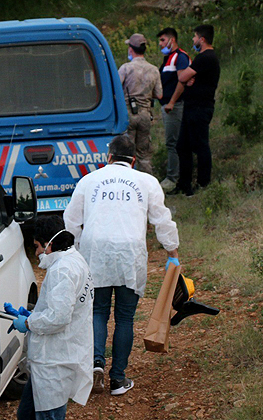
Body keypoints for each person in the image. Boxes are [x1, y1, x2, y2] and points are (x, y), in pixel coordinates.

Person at [63, 134, 180, 396]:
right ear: (134, 160)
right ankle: (118, 379)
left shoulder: (89, 180)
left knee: (98, 312)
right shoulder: (147, 182)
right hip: (131, 252)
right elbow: (162, 220)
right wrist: (172, 252)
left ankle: (95, 364)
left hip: (96, 252)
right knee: (125, 318)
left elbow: (70, 220)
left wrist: (79, 245)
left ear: (109, 157)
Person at [7, 215, 93, 420]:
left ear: (50, 244)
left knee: (49, 414)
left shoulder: (62, 270)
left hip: (54, 362)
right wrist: (33, 314)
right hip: (59, 354)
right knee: (26, 414)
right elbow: (63, 306)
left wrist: (28, 322)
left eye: (37, 246)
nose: (36, 253)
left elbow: (58, 317)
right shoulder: (73, 259)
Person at [172, 24, 221, 197]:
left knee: (200, 145)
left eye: (195, 37)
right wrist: (190, 78)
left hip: (200, 108)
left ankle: (203, 182)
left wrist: (188, 77)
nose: (193, 40)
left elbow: (183, 77)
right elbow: (187, 78)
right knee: (182, 146)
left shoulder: (206, 57)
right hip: (192, 107)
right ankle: (185, 184)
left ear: (202, 39)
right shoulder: (203, 59)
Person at [117, 33, 163, 175]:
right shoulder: (154, 69)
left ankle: (127, 181)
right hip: (145, 114)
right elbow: (159, 94)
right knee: (144, 154)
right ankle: (147, 182)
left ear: (131, 49)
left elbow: (116, 89)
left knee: (126, 152)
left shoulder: (125, 68)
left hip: (128, 114)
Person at [156, 27, 191, 193]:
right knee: (172, 142)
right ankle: (174, 176)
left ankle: (172, 178)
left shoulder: (180, 57)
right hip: (167, 105)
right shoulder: (168, 59)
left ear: (172, 40)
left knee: (173, 143)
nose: (161, 44)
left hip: (174, 107)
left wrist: (172, 101)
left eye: (163, 40)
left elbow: (182, 81)